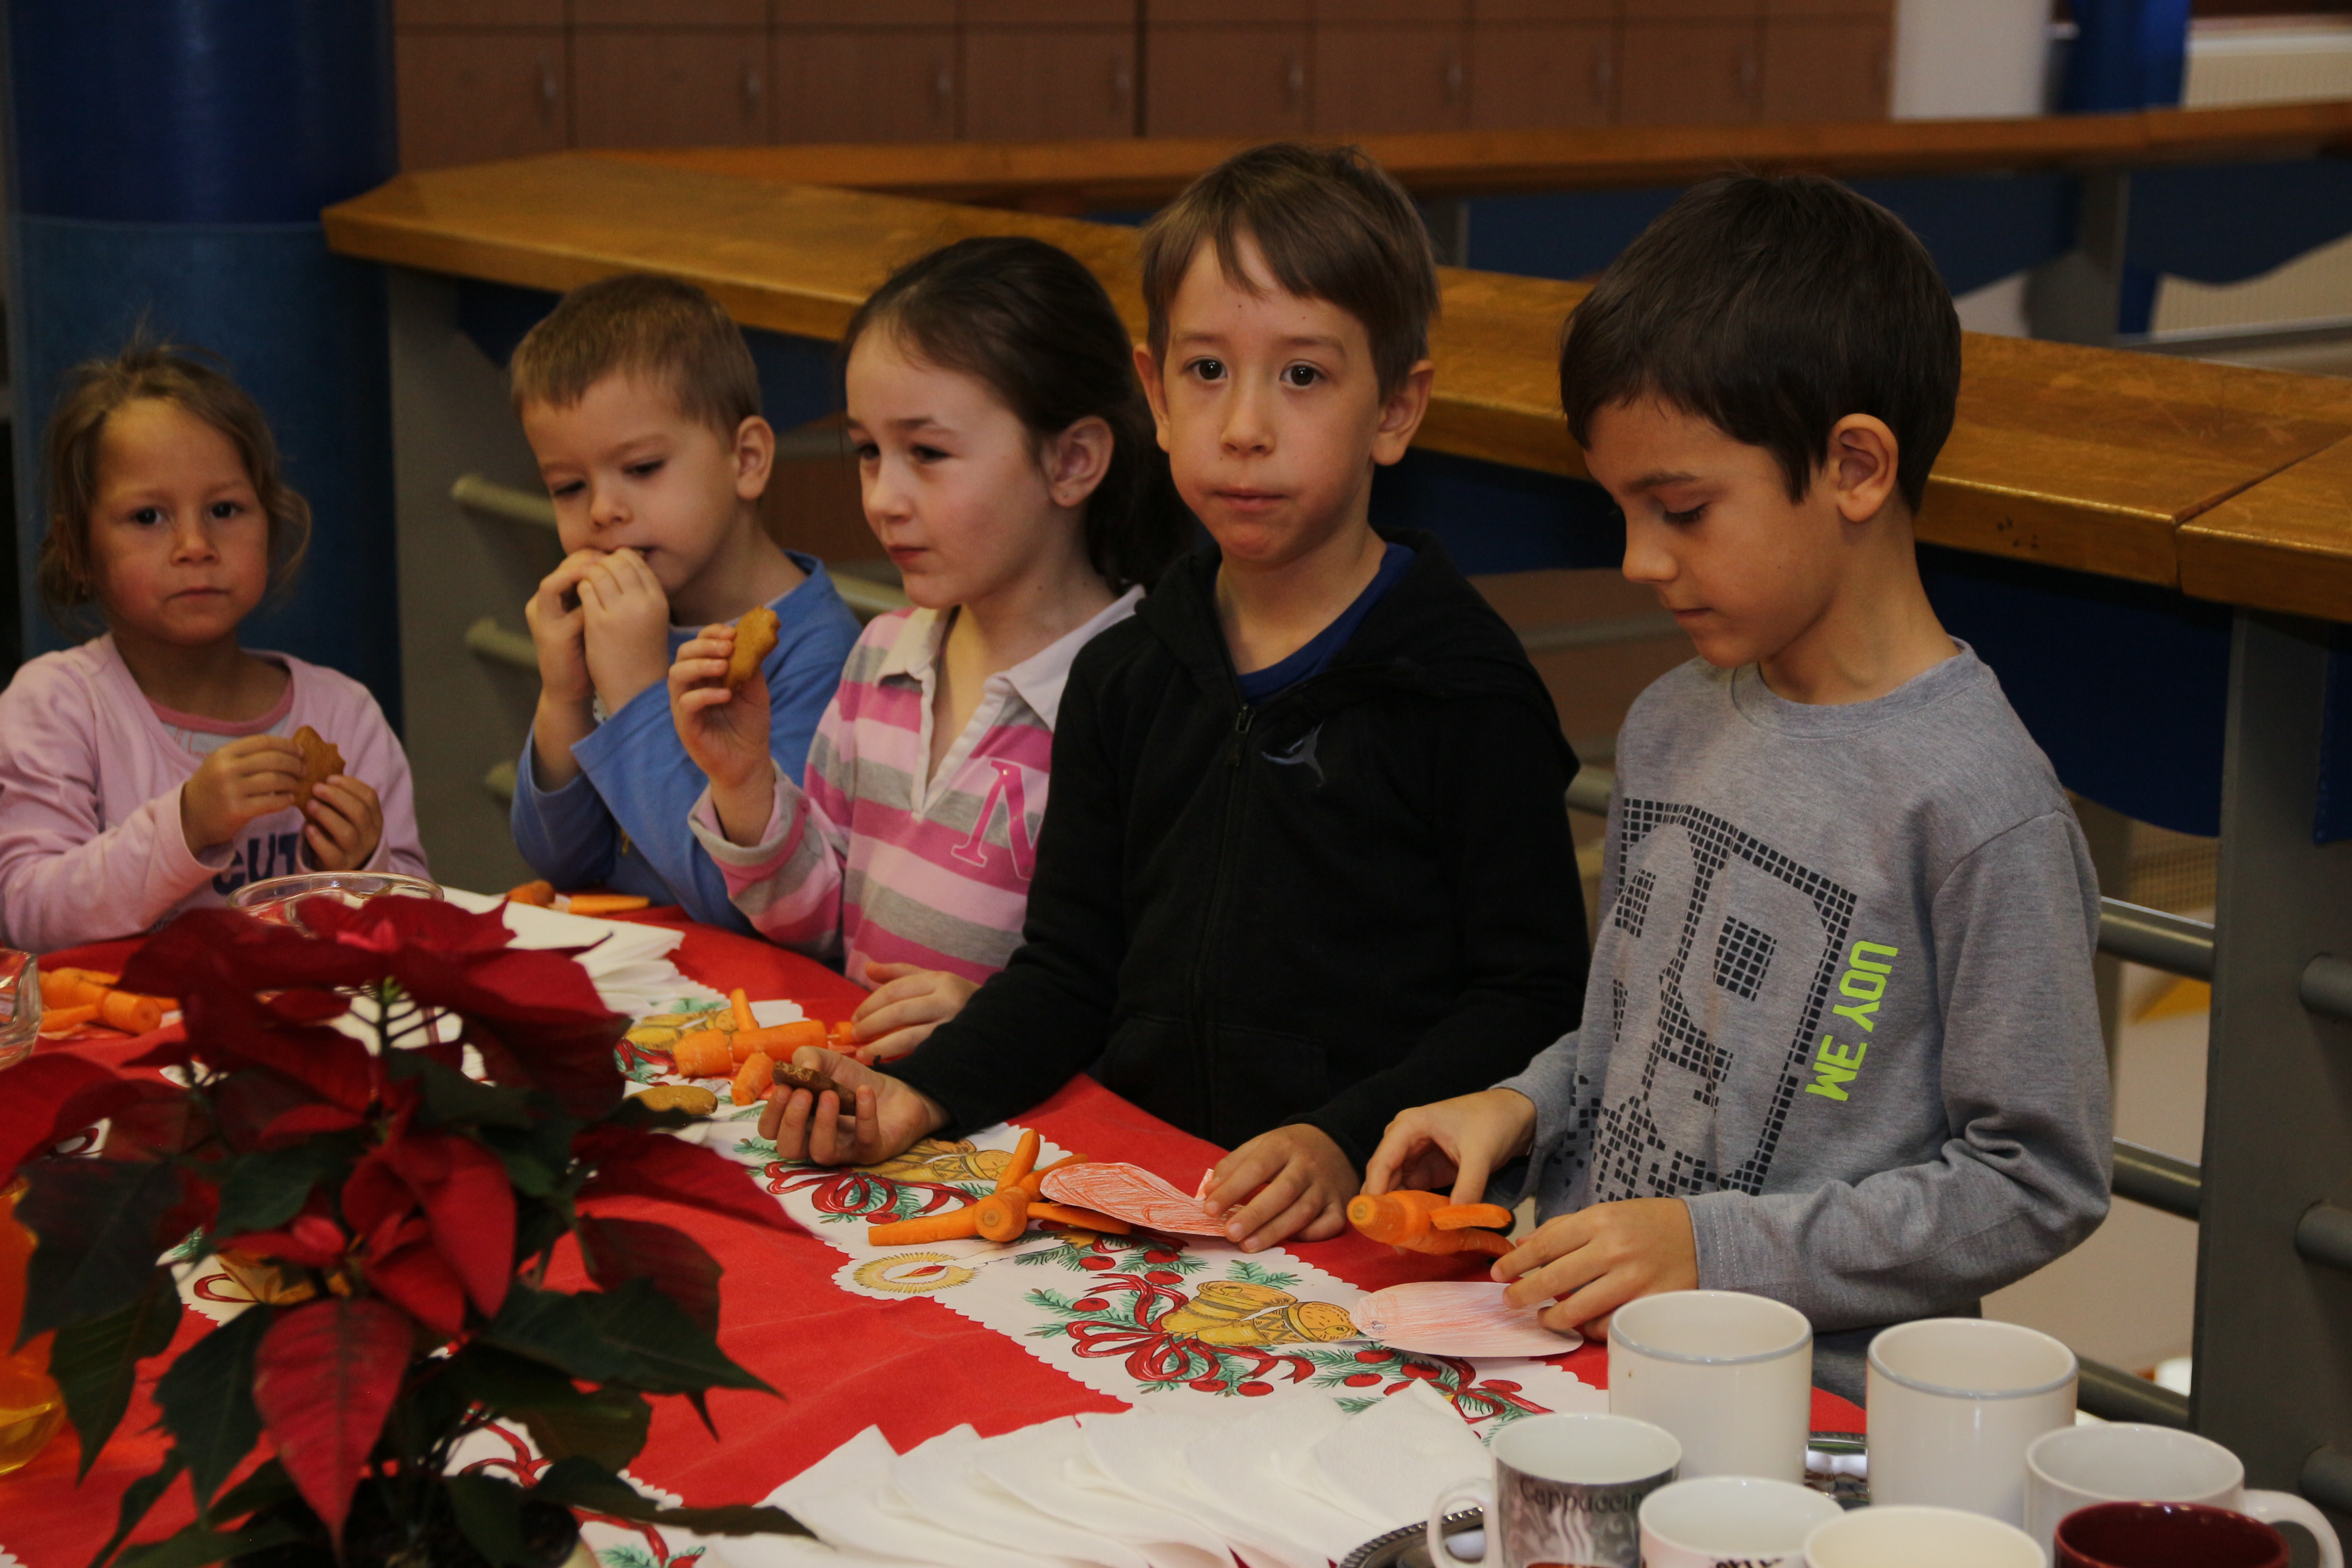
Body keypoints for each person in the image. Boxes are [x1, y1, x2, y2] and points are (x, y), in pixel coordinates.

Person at [758, 143, 1590, 1253]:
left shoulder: (1463, 691)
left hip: (1370, 1232)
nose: (1244, 425)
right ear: (1154, 394)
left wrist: (1344, 1136)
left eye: (1303, 376)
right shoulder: (1127, 672)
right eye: (1207, 371)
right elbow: (1069, 970)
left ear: (1396, 409)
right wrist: (919, 1094)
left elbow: (1534, 998)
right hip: (1140, 1206)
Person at [1362, 174, 2111, 1401]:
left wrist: (1715, 1253)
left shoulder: (1981, 805)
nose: (1638, 561)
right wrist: (1520, 1108)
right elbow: (1642, 1040)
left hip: (1808, 1423)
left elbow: (2036, 1182)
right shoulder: (1670, 722)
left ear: (1855, 468)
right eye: (1622, 511)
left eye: (1683, 510)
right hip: (1579, 1370)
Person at [670, 236, 1187, 1061]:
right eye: (869, 452)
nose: (884, 498)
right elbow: (817, 925)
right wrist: (743, 781)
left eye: (929, 454)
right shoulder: (882, 657)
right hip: (879, 1101)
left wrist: (995, 1021)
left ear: (1073, 461)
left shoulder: (1147, 700)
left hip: (1017, 1114)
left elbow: (1156, 1005)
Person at [0, 339, 428, 952]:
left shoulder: (345, 714)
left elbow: (416, 925)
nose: (196, 546)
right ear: (76, 552)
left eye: (225, 509)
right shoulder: (57, 706)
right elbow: (27, 914)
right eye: (149, 518)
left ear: (271, 526)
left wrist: (362, 864)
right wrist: (186, 824)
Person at [508, 273, 862, 932]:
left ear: (746, 459)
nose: (603, 511)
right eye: (568, 486)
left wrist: (636, 692)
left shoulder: (820, 656)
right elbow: (562, 861)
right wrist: (564, 697)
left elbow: (740, 906)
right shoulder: (622, 628)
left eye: (642, 469)